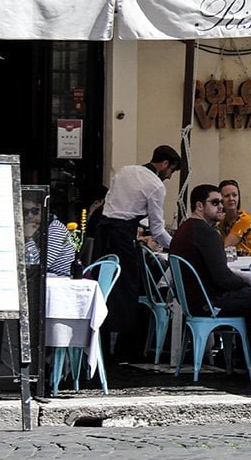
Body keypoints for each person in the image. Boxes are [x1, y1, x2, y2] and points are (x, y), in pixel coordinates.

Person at [92, 144, 181, 358]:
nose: (169, 177)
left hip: (103, 234)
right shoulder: (156, 186)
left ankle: (99, 343)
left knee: (102, 287)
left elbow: (117, 206)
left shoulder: (125, 170)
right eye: (171, 171)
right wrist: (178, 244)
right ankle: (124, 350)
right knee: (127, 289)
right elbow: (158, 230)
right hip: (122, 238)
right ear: (165, 164)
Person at [169, 183, 251, 322]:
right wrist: (245, 282)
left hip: (189, 302)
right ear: (199, 206)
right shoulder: (207, 233)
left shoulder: (184, 228)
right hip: (207, 304)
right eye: (215, 202)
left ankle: (241, 342)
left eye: (221, 202)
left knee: (248, 294)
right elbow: (223, 278)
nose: (221, 206)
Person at [22, 191, 75, 278]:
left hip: (58, 280)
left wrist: (28, 238)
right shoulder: (35, 228)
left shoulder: (55, 229)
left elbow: (37, 267)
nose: (29, 215)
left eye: (34, 211)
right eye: (25, 211)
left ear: (44, 210)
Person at [218, 179, 251, 259]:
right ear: (220, 200)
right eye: (227, 196)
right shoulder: (222, 221)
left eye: (234, 195)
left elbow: (225, 245)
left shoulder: (244, 219)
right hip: (236, 264)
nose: (231, 198)